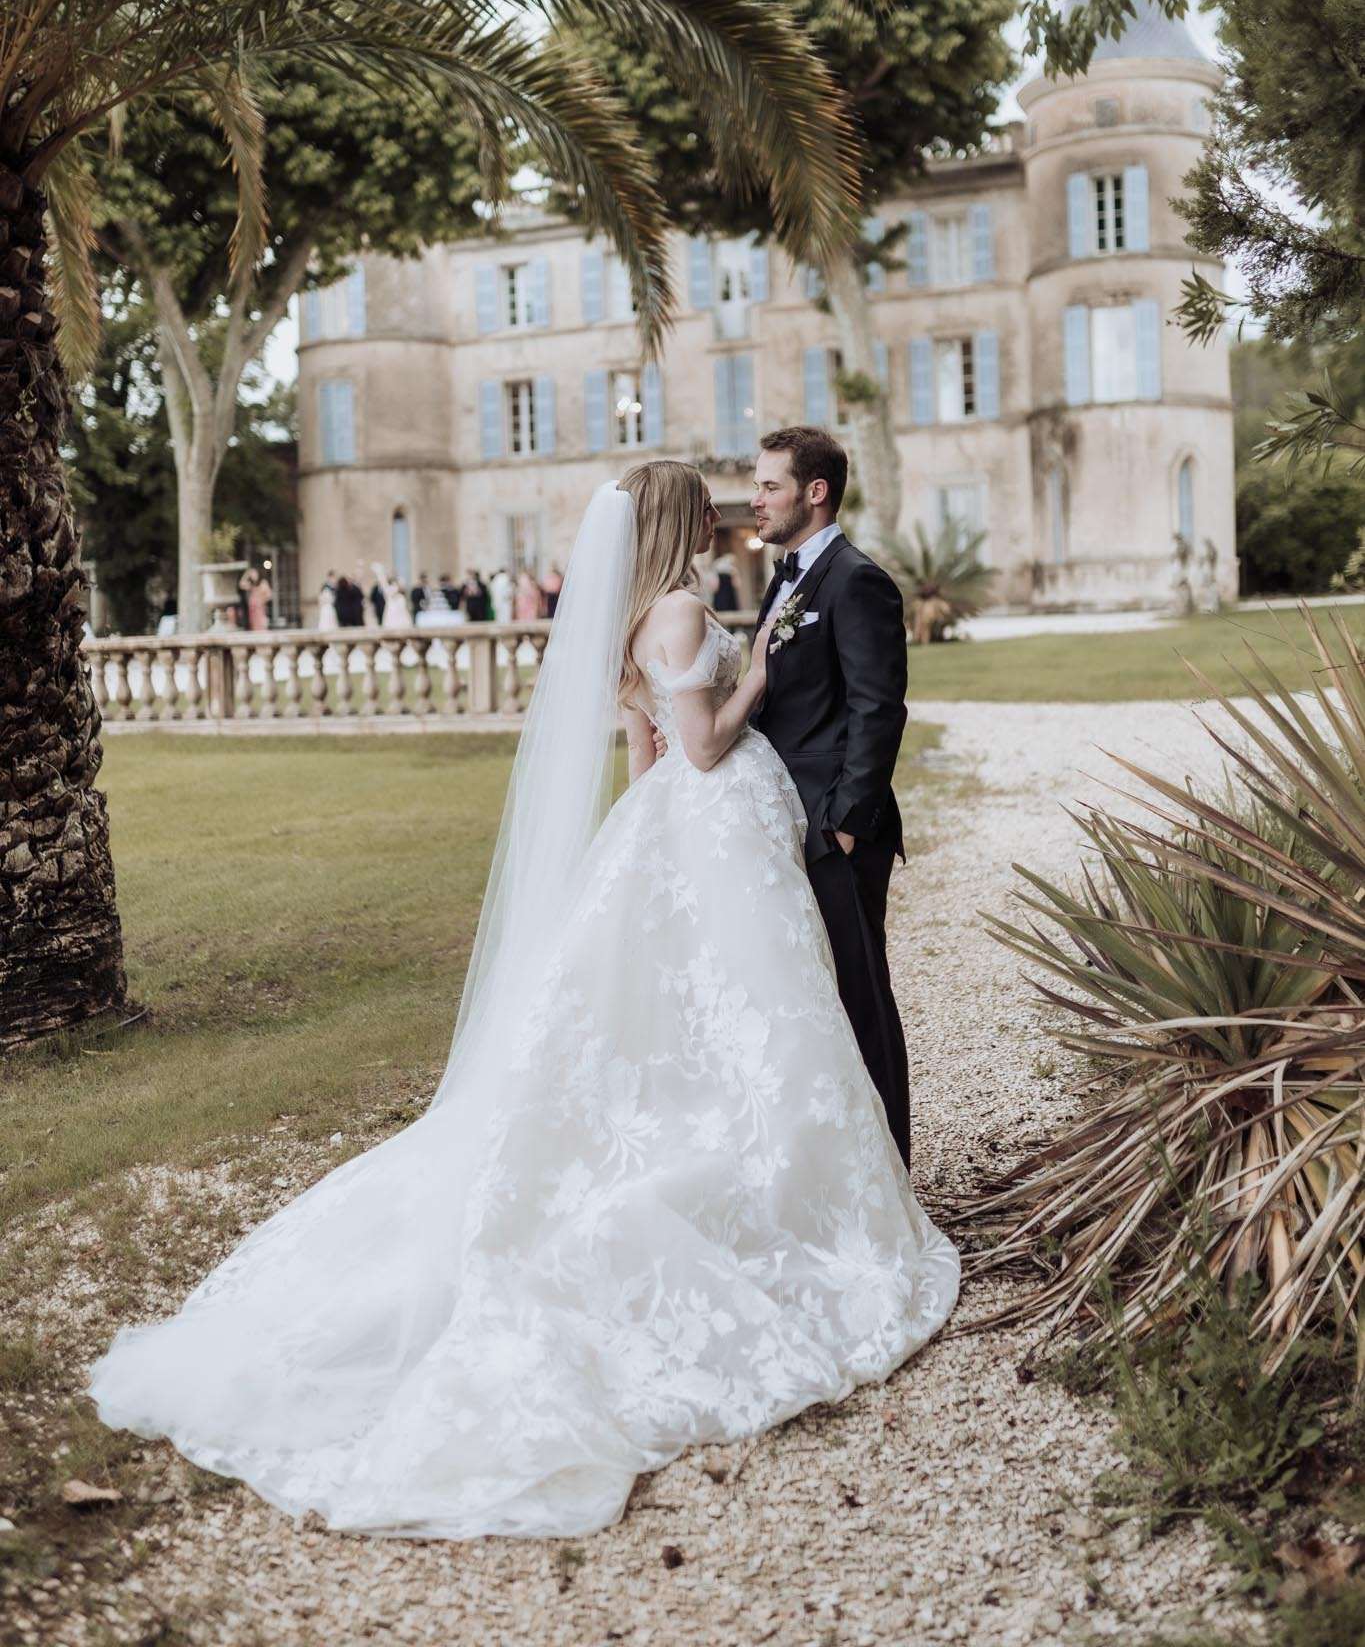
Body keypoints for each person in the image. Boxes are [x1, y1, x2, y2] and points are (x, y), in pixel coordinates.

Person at [87, 459, 956, 1540]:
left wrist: (651, 859)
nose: (736, 509)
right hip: (714, 813)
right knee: (754, 1015)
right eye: (712, 501)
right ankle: (805, 1183)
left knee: (710, 1016)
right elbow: (698, 743)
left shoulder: (636, 613)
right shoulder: (682, 606)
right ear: (682, 518)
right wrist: (758, 684)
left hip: (683, 831)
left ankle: (807, 1161)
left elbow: (641, 755)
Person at [749, 426, 912, 1164]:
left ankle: (891, 1170)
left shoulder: (855, 579)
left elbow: (878, 707)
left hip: (834, 831)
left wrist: (843, 824)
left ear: (814, 493)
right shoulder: (786, 577)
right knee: (807, 1005)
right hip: (785, 823)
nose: (755, 500)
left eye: (768, 486)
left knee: (860, 1000)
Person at [239, 566, 272, 633]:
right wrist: (247, 574)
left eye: (254, 573)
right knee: (254, 626)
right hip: (252, 609)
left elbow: (269, 595)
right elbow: (241, 584)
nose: (253, 575)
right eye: (252, 574)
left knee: (261, 625)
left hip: (260, 609)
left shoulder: (263, 583)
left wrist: (262, 601)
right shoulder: (251, 585)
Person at [710, 546, 739, 612]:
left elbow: (715, 586)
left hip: (722, 596)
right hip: (727, 595)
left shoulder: (717, 566)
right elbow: (736, 584)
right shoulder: (732, 570)